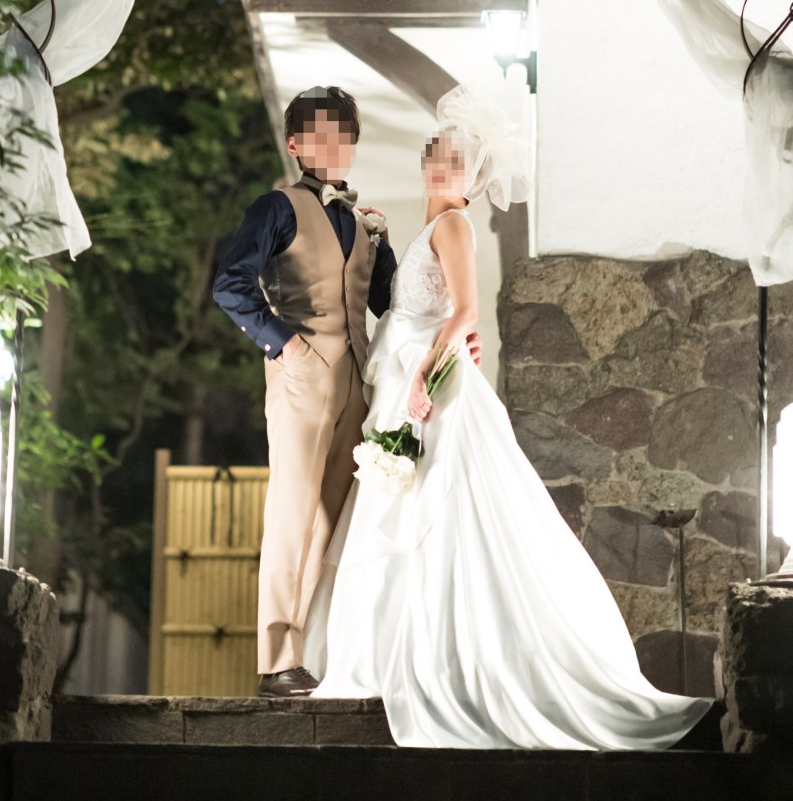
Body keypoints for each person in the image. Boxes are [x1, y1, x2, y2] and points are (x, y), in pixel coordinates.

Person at [304, 85, 713, 749]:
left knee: (447, 518)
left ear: (472, 179)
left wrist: (425, 380)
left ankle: (459, 662)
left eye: (456, 164)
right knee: (403, 519)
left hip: (429, 389)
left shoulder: (455, 226)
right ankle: (396, 654)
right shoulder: (431, 228)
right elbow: (423, 308)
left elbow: (464, 311)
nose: (442, 169)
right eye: (437, 157)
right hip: (409, 382)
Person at [213, 84, 481, 698]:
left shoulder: (361, 222)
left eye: (344, 137)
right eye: (321, 136)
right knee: (292, 514)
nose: (335, 147)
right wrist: (283, 344)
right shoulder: (276, 207)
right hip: (300, 379)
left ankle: (312, 654)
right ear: (295, 144)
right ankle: (276, 660)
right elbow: (231, 284)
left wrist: (457, 330)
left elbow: (393, 302)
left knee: (333, 523)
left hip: (361, 383)